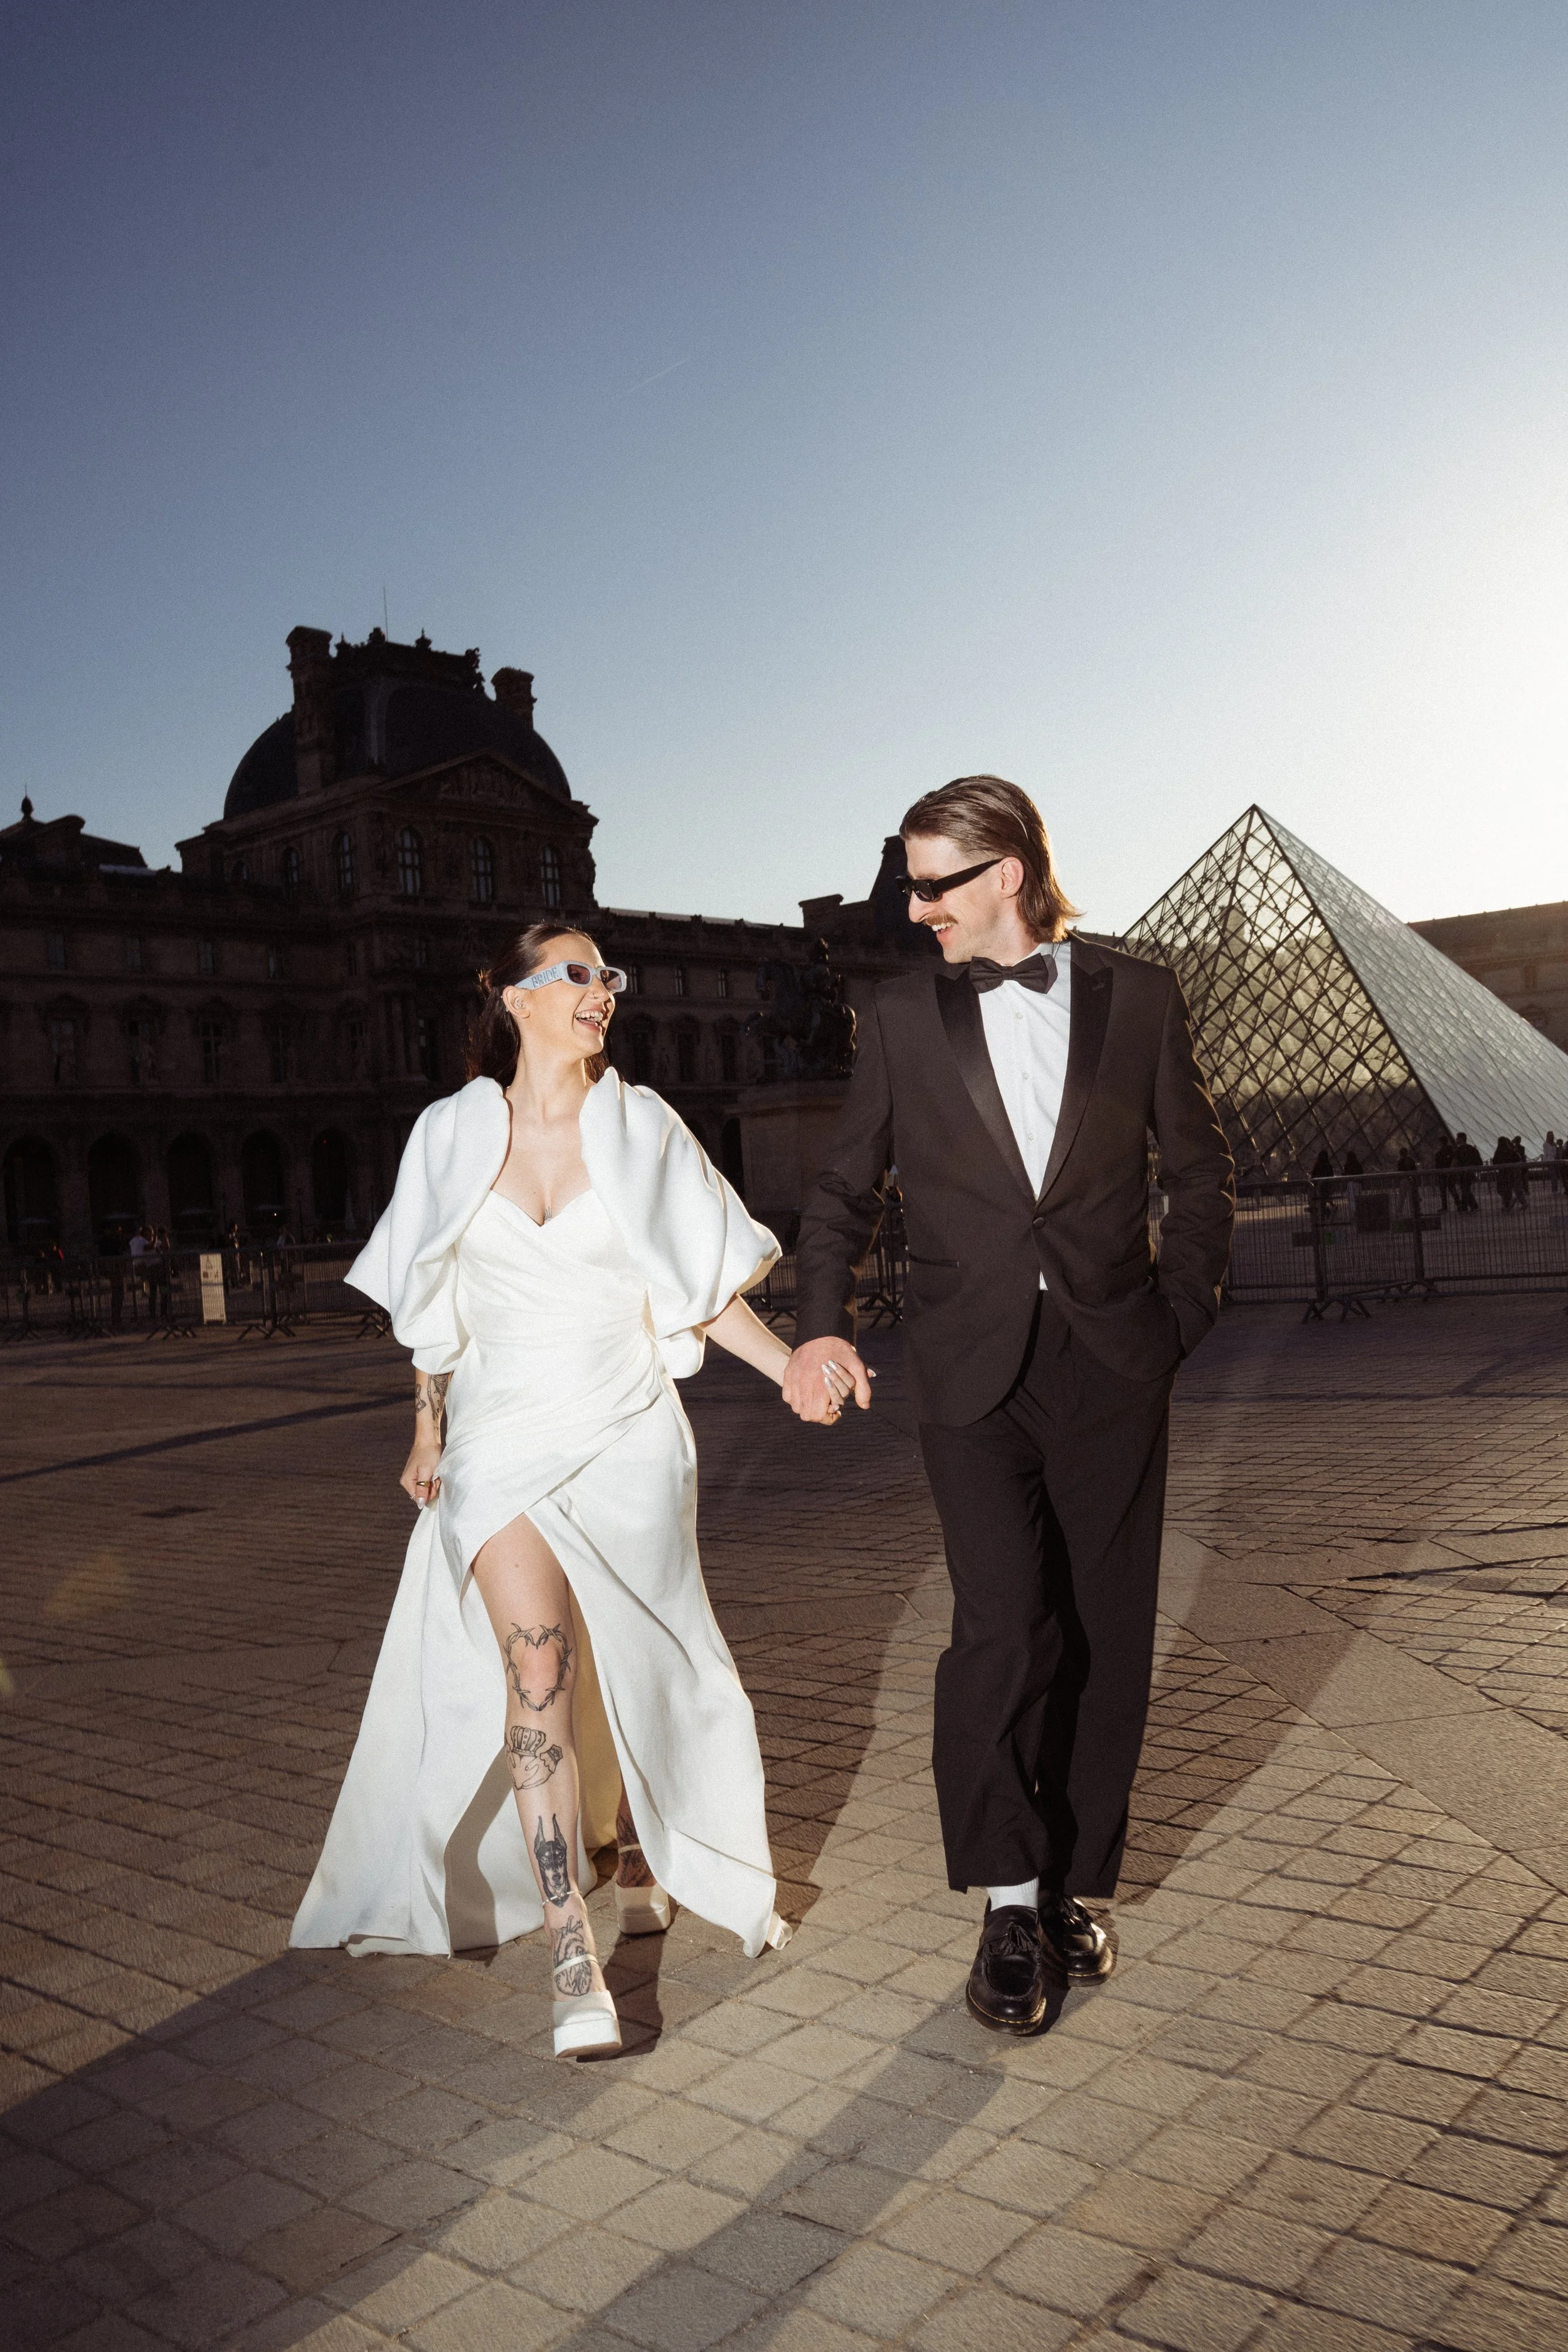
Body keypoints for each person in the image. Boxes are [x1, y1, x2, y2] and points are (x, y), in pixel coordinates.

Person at [291, 924, 808, 2057]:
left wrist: (788, 1366)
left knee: (635, 1650)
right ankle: (574, 1947)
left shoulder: (643, 1126)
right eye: (577, 975)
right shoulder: (448, 1133)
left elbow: (702, 1290)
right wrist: (426, 1423)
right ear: (510, 996)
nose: (603, 994)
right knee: (539, 1663)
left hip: (625, 1428)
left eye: (608, 977)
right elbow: (432, 1305)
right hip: (499, 1435)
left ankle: (633, 1843)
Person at [784, 776, 1234, 2033]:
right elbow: (838, 1191)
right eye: (909, 880)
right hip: (968, 1370)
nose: (913, 905)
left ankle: (1080, 1888)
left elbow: (1200, 1167)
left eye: (934, 882)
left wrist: (1178, 1318)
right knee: (999, 1628)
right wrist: (819, 1324)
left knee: (1104, 1635)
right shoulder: (900, 1017)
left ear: (1006, 876)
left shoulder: (1138, 998)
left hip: (1108, 1363)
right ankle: (1006, 1903)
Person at [1453, 1131, 1481, 1211]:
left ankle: (1474, 1206)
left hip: (1462, 1173)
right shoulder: (1472, 1149)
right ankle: (1464, 1206)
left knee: (1465, 1190)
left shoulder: (1459, 1150)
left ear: (1461, 1139)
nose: (1456, 1140)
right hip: (1470, 1173)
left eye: (1457, 1138)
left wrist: (1452, 1170)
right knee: (1465, 1189)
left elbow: (1455, 1162)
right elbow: (1479, 1162)